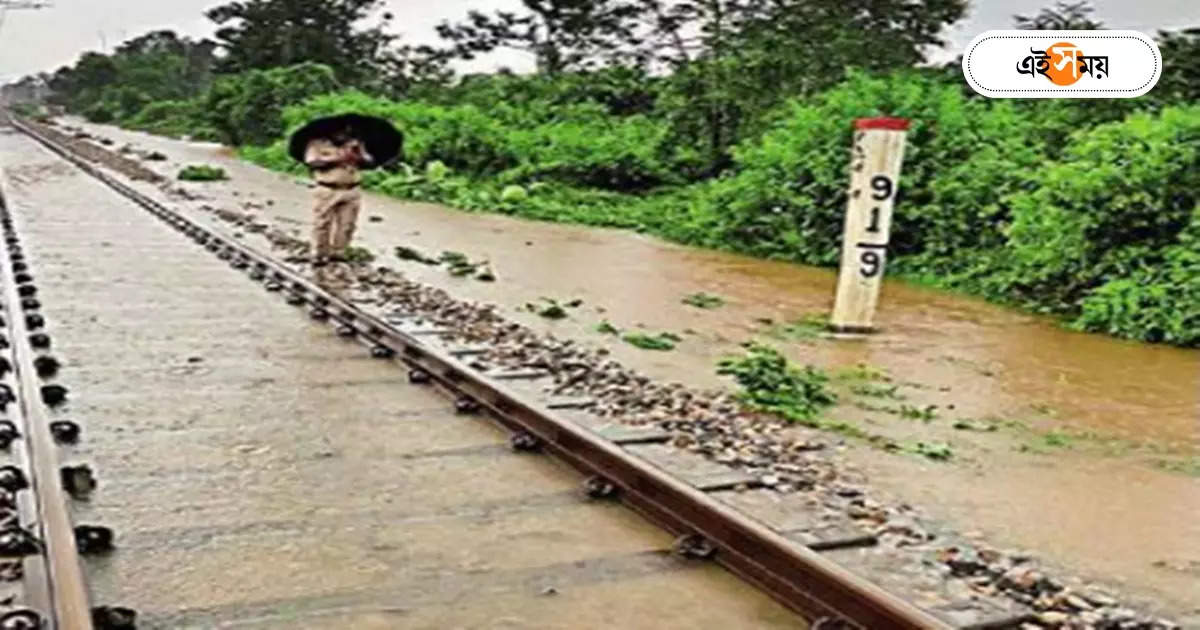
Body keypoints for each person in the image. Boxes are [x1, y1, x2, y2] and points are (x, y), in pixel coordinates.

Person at [303, 126, 374, 266]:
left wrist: (358, 154)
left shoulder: (355, 144)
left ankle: (339, 253)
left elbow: (369, 162)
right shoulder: (317, 143)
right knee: (322, 223)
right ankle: (319, 254)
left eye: (346, 132)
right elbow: (312, 162)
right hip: (328, 188)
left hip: (351, 189)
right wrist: (337, 159)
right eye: (340, 131)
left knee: (347, 224)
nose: (343, 134)